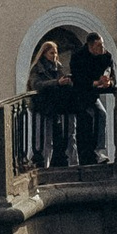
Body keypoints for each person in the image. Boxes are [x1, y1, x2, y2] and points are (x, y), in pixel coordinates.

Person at [69, 29, 117, 168]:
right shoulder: (78, 56)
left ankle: (99, 150)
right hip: (80, 94)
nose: (102, 48)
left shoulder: (106, 56)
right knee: (85, 121)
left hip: (93, 95)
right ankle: (86, 155)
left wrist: (109, 83)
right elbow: (78, 78)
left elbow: (112, 75)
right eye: (98, 46)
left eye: (102, 45)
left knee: (101, 114)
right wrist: (95, 83)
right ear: (90, 46)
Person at [28, 40, 72, 173]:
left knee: (54, 138)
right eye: (51, 53)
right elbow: (37, 85)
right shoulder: (37, 68)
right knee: (41, 139)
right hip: (41, 106)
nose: (54, 56)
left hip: (55, 107)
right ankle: (41, 164)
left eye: (56, 53)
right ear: (44, 53)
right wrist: (57, 82)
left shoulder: (58, 67)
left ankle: (52, 163)